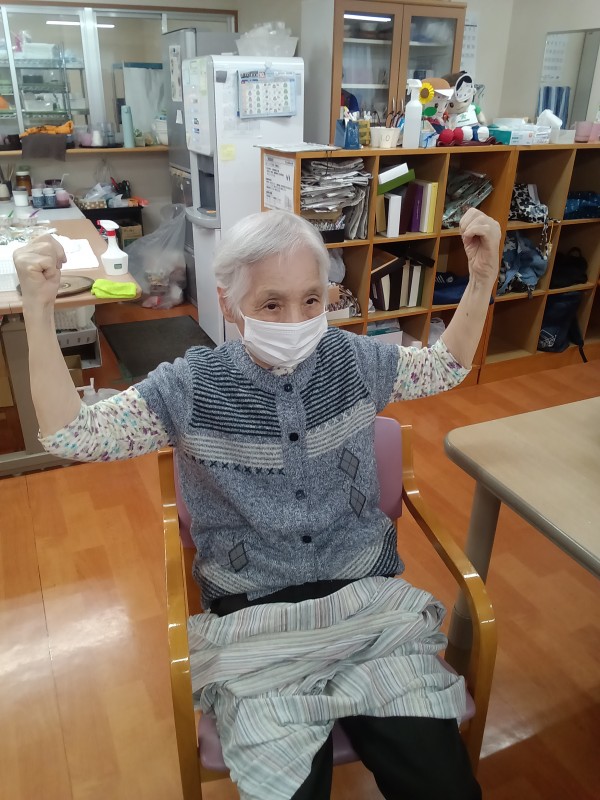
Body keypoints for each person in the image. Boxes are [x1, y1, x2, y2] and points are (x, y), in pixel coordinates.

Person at [15, 207, 500, 800]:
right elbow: (73, 434)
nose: (296, 321)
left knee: (442, 782)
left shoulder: (355, 361)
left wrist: (481, 277)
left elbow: (445, 365)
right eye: (271, 304)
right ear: (228, 302)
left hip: (370, 608)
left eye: (311, 300)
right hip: (254, 618)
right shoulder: (190, 387)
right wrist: (38, 310)